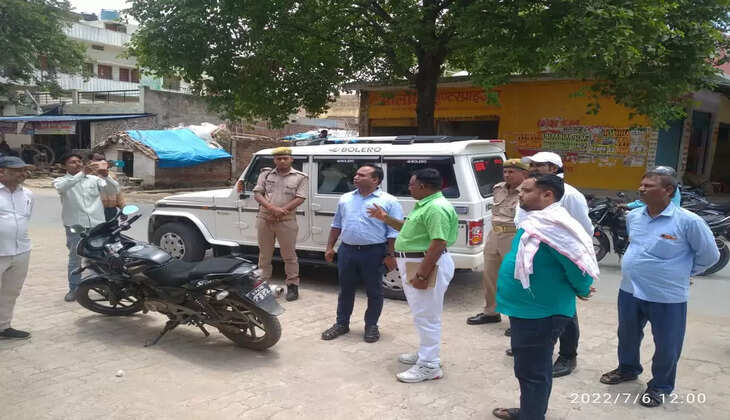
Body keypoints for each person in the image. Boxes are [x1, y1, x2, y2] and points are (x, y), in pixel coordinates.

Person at [600, 169, 718, 408]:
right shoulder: (634, 216)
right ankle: (628, 368)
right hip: (630, 289)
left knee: (667, 343)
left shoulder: (688, 221)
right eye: (641, 184)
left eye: (648, 186)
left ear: (668, 190)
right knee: (627, 334)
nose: (641, 189)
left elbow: (710, 256)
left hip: (666, 294)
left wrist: (683, 272)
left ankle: (661, 386)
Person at [492, 174, 597, 420]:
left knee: (532, 371)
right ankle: (531, 410)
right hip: (528, 309)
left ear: (547, 195)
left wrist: (583, 289)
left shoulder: (554, 226)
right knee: (530, 368)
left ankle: (532, 415)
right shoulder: (535, 221)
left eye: (526, 191)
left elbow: (577, 263)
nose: (520, 195)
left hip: (541, 313)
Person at [368, 168, 458, 383]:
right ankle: (426, 353)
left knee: (427, 316)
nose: (409, 188)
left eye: (411, 184)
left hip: (425, 264)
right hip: (416, 263)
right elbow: (410, 229)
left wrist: (422, 275)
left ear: (423, 186)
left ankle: (430, 365)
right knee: (422, 313)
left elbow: (438, 243)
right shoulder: (426, 205)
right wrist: (386, 218)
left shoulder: (436, 208)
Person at [512, 151, 592, 378]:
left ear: (554, 168)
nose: (533, 168)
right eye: (531, 165)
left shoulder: (571, 194)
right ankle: (532, 344)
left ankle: (567, 355)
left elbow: (583, 230)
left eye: (539, 165)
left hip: (558, 258)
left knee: (564, 309)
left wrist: (579, 264)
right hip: (531, 256)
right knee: (533, 303)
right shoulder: (528, 190)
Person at [321, 164, 403, 343]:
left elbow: (394, 232)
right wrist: (329, 247)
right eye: (356, 174)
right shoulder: (345, 198)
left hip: (374, 252)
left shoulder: (389, 201)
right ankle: (342, 323)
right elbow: (336, 225)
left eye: (362, 175)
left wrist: (391, 255)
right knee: (345, 290)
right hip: (347, 251)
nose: (356, 177)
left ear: (375, 180)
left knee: (374, 291)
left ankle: (371, 326)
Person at [468, 159, 529, 325]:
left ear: (524, 173)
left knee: (514, 278)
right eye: (505, 171)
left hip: (513, 236)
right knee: (490, 276)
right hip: (494, 235)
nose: (507, 175)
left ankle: (517, 318)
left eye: (512, 172)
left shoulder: (529, 191)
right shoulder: (498, 188)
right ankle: (491, 312)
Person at [53, 153, 120, 302]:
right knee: (75, 258)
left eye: (79, 161)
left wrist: (106, 176)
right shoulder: (60, 181)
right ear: (65, 166)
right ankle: (74, 289)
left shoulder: (94, 179)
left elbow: (113, 191)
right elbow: (62, 188)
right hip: (75, 225)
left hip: (97, 224)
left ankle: (105, 287)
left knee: (101, 256)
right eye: (72, 162)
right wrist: (82, 173)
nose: (77, 164)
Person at [253, 147, 308, 301]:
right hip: (265, 219)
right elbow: (258, 193)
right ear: (274, 160)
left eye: (285, 158)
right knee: (264, 255)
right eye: (279, 158)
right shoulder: (265, 174)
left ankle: (292, 286)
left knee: (289, 256)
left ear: (291, 159)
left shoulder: (300, 177)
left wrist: (282, 211)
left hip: (286, 220)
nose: (282, 161)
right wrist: (272, 208)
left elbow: (300, 197)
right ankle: (262, 286)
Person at [0, 156, 34, 339]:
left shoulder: (28, 194)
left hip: (21, 251)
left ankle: (3, 327)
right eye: (17, 170)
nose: (23, 173)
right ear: (2, 172)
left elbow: (25, 219)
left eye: (23, 170)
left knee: (11, 292)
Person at [87, 152, 125, 221]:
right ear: (91, 162)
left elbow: (118, 193)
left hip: (111, 211)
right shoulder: (86, 176)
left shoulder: (111, 175)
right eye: (99, 160)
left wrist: (123, 209)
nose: (102, 161)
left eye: (104, 159)